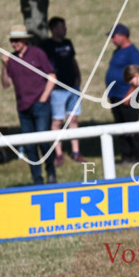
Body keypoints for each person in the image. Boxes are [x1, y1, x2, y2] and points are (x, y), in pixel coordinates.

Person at [1, 25, 58, 185]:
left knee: (44, 141)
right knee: (30, 146)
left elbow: (52, 76)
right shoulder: (11, 60)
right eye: (12, 41)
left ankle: (51, 172)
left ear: (25, 40)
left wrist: (43, 98)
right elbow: (6, 84)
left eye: (17, 40)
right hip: (23, 107)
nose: (14, 44)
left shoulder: (37, 53)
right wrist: (4, 66)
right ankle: (37, 179)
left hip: (40, 105)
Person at [40, 16, 86, 165]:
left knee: (73, 119)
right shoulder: (46, 45)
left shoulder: (68, 43)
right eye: (62, 27)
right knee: (57, 121)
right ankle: (58, 153)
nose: (65, 29)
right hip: (57, 90)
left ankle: (76, 151)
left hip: (73, 87)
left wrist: (78, 77)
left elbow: (72, 61)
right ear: (54, 29)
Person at [105, 24, 139, 163]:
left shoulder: (132, 52)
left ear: (123, 36)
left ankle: (138, 156)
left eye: (114, 36)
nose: (112, 40)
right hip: (115, 95)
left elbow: (138, 74)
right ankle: (126, 156)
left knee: (132, 127)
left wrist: (130, 93)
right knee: (120, 127)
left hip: (127, 95)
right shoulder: (117, 51)